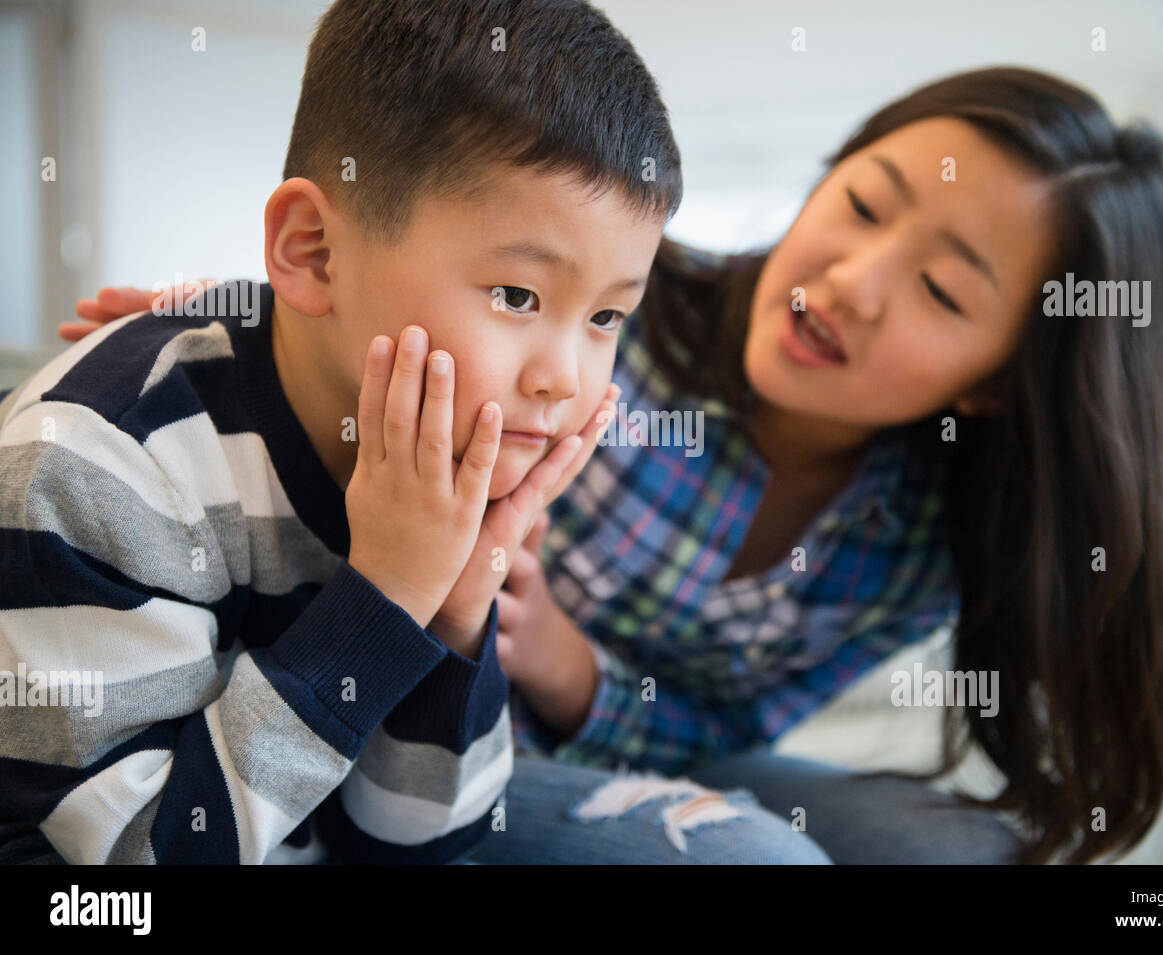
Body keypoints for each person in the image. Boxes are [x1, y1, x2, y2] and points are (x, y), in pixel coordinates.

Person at [59, 65, 1163, 865]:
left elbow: (726, 733)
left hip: (548, 728)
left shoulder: (925, 541)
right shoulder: (609, 305)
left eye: (944, 292)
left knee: (962, 849)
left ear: (994, 381)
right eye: (858, 203)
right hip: (417, 715)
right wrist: (250, 329)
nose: (851, 278)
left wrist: (568, 667)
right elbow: (408, 292)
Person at [1, 0, 831, 866]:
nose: (565, 378)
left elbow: (413, 848)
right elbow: (126, 874)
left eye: (608, 314)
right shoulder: (106, 462)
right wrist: (386, 597)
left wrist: (461, 612)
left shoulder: (470, 471)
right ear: (314, 252)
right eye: (517, 296)